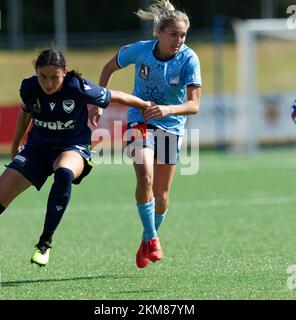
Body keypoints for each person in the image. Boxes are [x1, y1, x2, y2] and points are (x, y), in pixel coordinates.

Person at [0, 48, 152, 286]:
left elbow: (115, 96)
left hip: (72, 146)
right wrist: (15, 143)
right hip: (36, 150)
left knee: (63, 173)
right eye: (43, 76)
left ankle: (44, 243)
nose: (49, 83)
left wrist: (145, 105)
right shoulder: (29, 87)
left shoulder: (77, 87)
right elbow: (25, 112)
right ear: (36, 73)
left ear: (64, 73)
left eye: (55, 77)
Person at [90, 0, 201, 268]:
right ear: (158, 33)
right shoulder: (140, 51)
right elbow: (109, 67)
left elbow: (194, 105)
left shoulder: (189, 58)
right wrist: (98, 102)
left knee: (161, 197)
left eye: (183, 35)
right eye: (173, 34)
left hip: (171, 126)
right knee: (145, 176)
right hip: (138, 120)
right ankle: (152, 238)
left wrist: (168, 110)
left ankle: (145, 239)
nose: (179, 40)